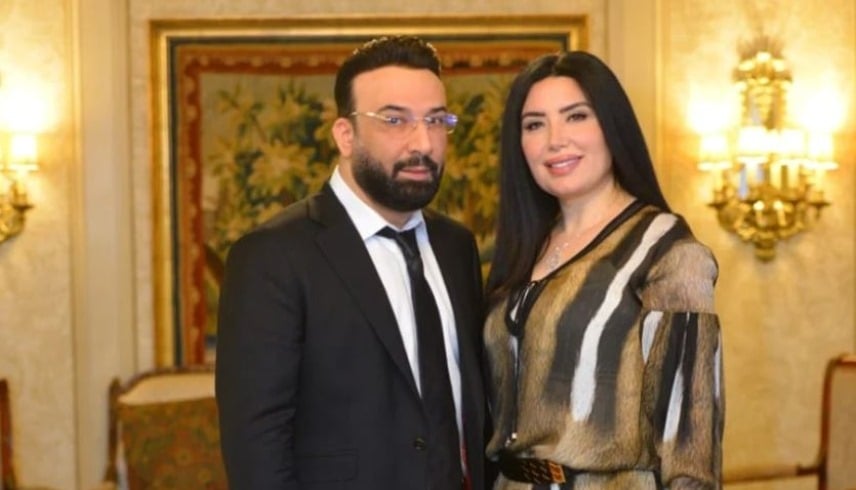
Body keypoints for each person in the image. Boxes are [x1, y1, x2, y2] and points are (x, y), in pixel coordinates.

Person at [216, 36, 489, 489]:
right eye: (395, 120)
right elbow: (256, 449)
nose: (423, 142)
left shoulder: (456, 246)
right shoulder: (272, 256)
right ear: (345, 135)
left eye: (436, 120)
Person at [483, 51, 723, 489]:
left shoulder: (667, 252)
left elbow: (690, 439)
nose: (555, 140)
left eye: (576, 116)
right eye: (534, 124)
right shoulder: (521, 251)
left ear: (612, 127)